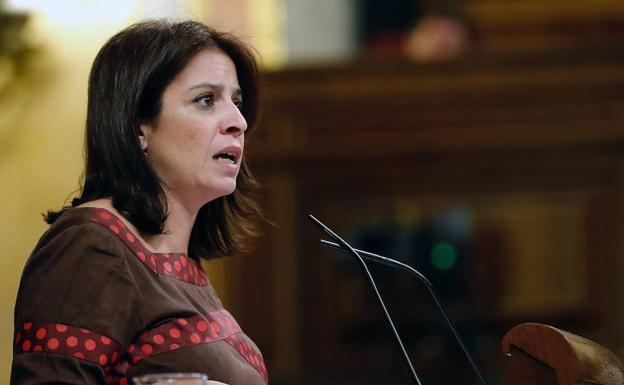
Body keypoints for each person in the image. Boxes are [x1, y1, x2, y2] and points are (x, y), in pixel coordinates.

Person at [11, 19, 267, 385]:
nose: (237, 121)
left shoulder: (180, 262)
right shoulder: (91, 245)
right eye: (206, 100)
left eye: (237, 102)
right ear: (138, 127)